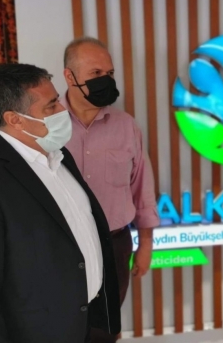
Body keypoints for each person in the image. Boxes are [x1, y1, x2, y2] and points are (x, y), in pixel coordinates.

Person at [0, 64, 121, 343]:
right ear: (15, 119)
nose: (62, 110)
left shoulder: (60, 157)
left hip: (85, 324)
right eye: (51, 105)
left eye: (57, 100)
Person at [61, 37, 159, 343]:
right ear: (69, 76)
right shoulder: (45, 125)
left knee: (104, 331)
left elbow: (142, 186)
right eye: (96, 73)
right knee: (62, 327)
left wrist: (146, 244)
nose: (106, 80)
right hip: (61, 246)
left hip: (114, 244)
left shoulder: (126, 126)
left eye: (110, 72)